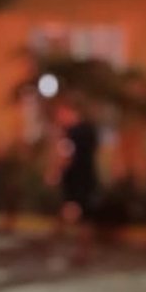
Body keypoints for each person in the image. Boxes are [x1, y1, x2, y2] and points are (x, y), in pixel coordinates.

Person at [53, 100, 98, 265]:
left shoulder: (71, 133)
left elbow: (66, 156)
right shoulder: (90, 130)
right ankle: (82, 253)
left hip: (74, 182)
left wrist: (56, 172)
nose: (59, 117)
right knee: (85, 219)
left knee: (69, 216)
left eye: (61, 113)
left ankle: (67, 251)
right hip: (88, 179)